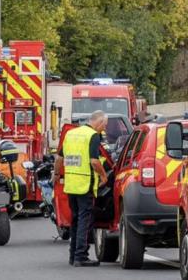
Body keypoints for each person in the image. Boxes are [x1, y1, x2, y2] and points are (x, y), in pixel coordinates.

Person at [52, 110, 109, 267]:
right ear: (98, 122)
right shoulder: (92, 136)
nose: (104, 128)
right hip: (85, 184)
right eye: (104, 124)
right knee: (85, 220)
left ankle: (73, 255)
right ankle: (81, 256)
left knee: (75, 220)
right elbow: (94, 162)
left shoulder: (71, 134)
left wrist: (57, 175)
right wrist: (104, 176)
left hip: (71, 184)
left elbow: (60, 158)